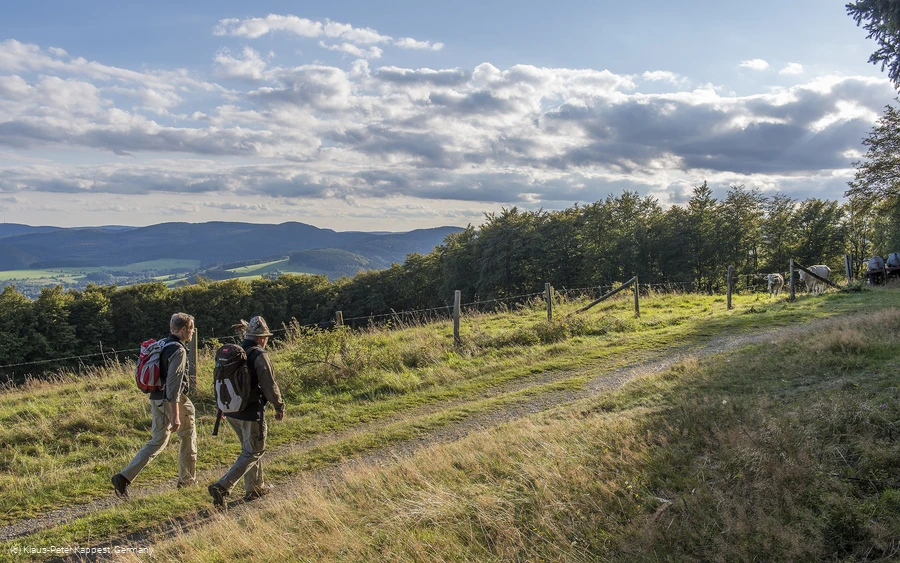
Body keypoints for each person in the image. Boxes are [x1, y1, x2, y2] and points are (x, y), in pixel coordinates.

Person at [112, 313, 197, 497]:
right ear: (183, 330)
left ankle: (123, 477)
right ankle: (187, 481)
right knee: (188, 437)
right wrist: (175, 414)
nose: (191, 332)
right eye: (190, 329)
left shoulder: (160, 344)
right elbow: (173, 386)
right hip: (174, 401)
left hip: (155, 399)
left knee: (157, 440)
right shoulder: (179, 350)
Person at [208, 315, 286, 507]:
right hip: (251, 411)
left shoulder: (235, 353)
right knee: (254, 451)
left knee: (249, 449)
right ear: (261, 338)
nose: (266, 339)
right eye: (266, 336)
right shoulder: (259, 354)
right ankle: (222, 486)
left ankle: (255, 488)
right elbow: (269, 384)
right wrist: (278, 405)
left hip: (231, 410)